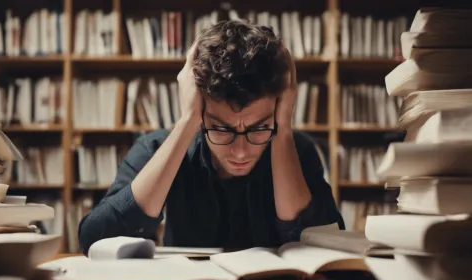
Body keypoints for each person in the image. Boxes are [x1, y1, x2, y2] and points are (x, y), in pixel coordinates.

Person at [78, 19, 344, 254]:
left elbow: (324, 246)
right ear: (200, 110)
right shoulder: (156, 147)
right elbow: (94, 240)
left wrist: (282, 128)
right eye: (221, 128)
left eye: (259, 128)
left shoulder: (297, 149)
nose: (240, 152)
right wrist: (187, 121)